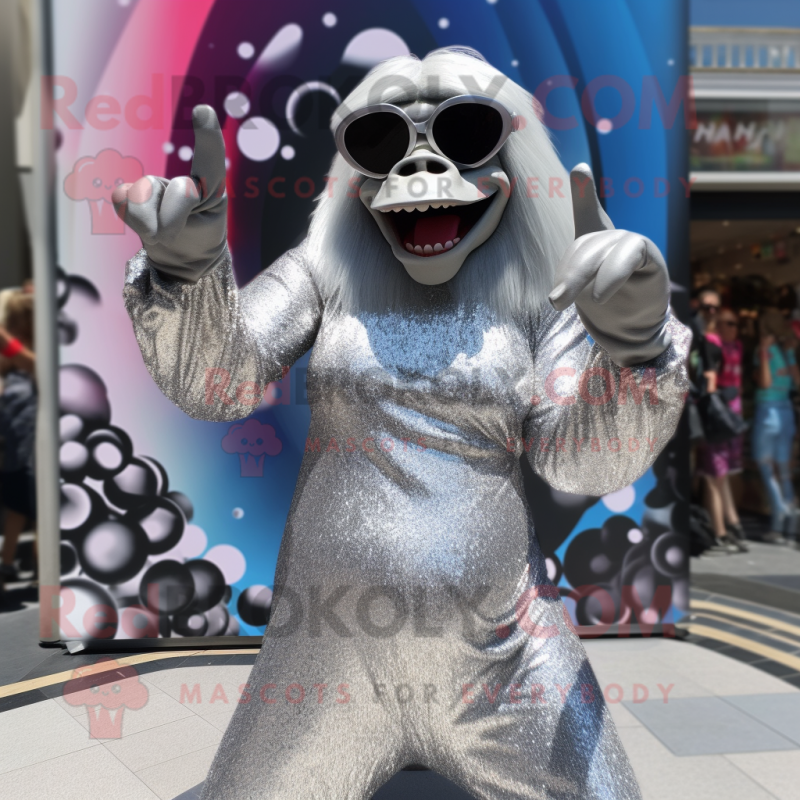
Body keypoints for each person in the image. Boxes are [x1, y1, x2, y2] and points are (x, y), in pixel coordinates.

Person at [114, 49, 689, 800]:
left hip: (505, 658)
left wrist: (633, 351)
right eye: (381, 141)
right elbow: (220, 381)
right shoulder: (326, 271)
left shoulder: (547, 291)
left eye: (465, 133)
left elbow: (578, 463)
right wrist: (187, 278)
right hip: (325, 656)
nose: (419, 166)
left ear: (513, 160)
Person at [697, 309, 748, 552]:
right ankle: (727, 528)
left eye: (735, 324)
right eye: (729, 323)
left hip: (723, 416)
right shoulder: (722, 346)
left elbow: (713, 382)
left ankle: (724, 530)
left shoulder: (726, 347)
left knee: (717, 474)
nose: (734, 328)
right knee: (718, 474)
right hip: (724, 415)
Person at [752, 308, 800, 546]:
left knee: (767, 469)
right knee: (784, 471)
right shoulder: (786, 350)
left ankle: (779, 520)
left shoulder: (765, 350)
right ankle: (791, 523)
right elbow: (797, 382)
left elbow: (765, 382)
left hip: (768, 412)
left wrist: (762, 353)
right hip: (786, 412)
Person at [0, 291, 37, 588]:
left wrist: (5, 340)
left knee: (41, 510)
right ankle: (7, 563)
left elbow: (32, 364)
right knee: (16, 507)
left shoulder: (38, 355)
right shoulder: (13, 359)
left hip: (35, 449)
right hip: (15, 447)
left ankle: (42, 568)